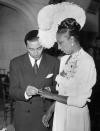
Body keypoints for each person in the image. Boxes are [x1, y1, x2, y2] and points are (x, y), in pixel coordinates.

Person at [37, 2, 97, 131]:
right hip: (60, 114)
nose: (58, 47)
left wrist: (51, 96)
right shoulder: (64, 60)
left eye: (60, 43)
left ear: (72, 40)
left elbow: (80, 101)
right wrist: (50, 111)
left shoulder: (87, 61)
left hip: (76, 117)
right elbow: (63, 93)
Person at [9, 30, 60, 131]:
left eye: (39, 48)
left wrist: (49, 89)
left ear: (44, 45)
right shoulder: (15, 63)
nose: (36, 53)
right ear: (26, 47)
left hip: (45, 115)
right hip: (24, 117)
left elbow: (60, 88)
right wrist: (25, 93)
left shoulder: (54, 62)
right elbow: (12, 91)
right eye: (31, 49)